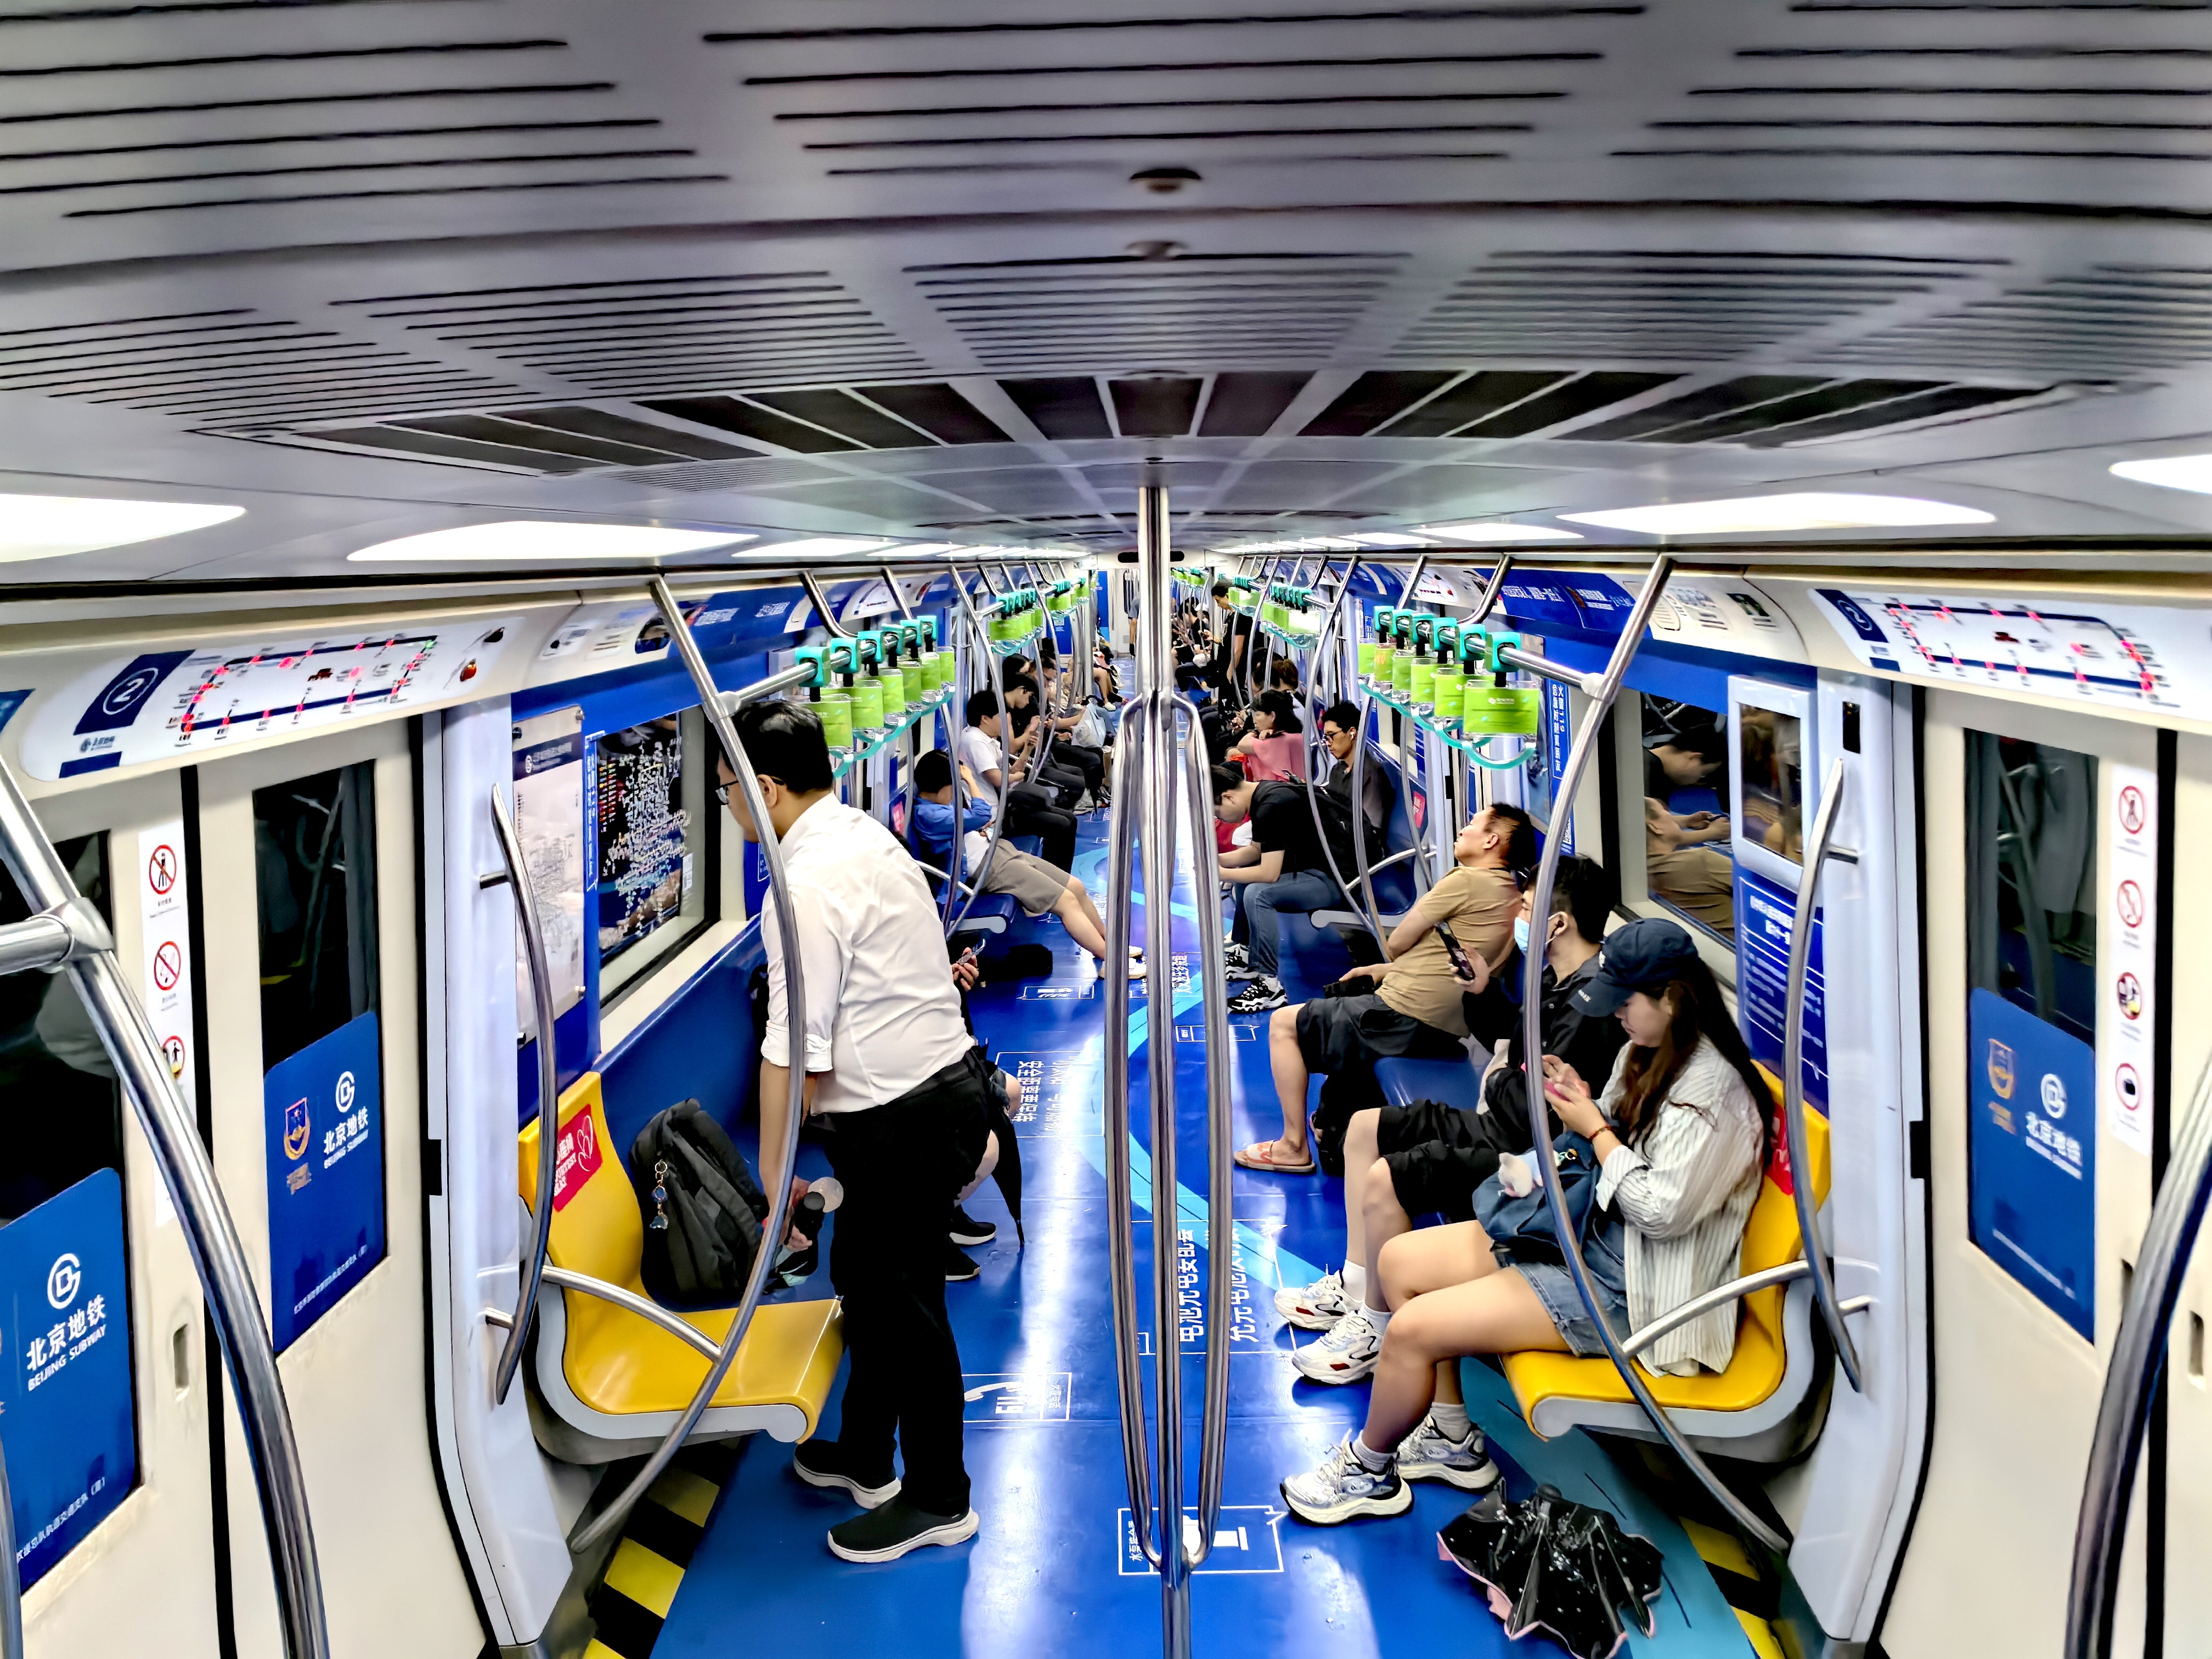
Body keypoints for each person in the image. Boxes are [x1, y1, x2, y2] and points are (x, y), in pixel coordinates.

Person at [1278, 919, 1770, 1525]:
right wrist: (1579, 1105)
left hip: (1636, 1291)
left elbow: (1661, 1213)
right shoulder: (1647, 1051)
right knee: (1398, 1263)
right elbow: (1605, 1133)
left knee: (1411, 1330)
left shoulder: (1716, 1097)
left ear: (1671, 999)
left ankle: (1368, 1469)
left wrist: (1593, 1125)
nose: (1615, 1016)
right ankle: (1450, 1440)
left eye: (1627, 1003)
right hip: (1587, 1236)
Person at [717, 703, 988, 1563]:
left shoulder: (805, 886)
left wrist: (773, 1188)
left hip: (903, 1118)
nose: (725, 808)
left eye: (727, 791)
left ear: (764, 787)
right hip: (933, 1095)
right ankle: (870, 1457)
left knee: (905, 1304)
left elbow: (794, 1056)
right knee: (867, 1279)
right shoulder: (863, 834)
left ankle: (940, 1497)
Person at [1275, 858, 1626, 1384]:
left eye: (1529, 910)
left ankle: (1373, 1327)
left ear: (1560, 923)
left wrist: (1504, 1075)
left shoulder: (1589, 1006)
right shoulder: (1558, 981)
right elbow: (1508, 1048)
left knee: (1392, 1175)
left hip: (1526, 1155)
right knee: (1364, 1128)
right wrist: (1481, 991)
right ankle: (1354, 1281)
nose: (1520, 920)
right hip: (1502, 1122)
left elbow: (1531, 1106)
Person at [1238, 804, 1533, 1175]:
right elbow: (1445, 958)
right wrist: (1387, 970)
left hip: (1407, 1013)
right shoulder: (1507, 892)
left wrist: (1392, 960)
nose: (1463, 829)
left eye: (1473, 824)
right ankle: (1332, 1130)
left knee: (1285, 1023)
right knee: (1349, 1005)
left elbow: (1398, 941)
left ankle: (1291, 1147)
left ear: (1492, 839)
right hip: (1439, 1017)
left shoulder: (1466, 881)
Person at [910, 749, 1141, 980]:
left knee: (1076, 887)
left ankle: (1110, 943)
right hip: (989, 869)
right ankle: (1112, 963)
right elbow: (981, 814)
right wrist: (970, 780)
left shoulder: (938, 808)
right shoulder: (929, 814)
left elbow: (969, 824)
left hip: (997, 851)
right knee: (1066, 902)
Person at [1211, 766, 1351, 1015]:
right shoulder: (1263, 794)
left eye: (1218, 813)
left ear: (1228, 797)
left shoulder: (1272, 805)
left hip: (1336, 881)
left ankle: (1269, 986)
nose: (1221, 820)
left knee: (1258, 893)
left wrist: (1218, 873)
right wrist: (1214, 859)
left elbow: (1269, 874)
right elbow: (1255, 852)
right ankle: (1246, 954)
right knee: (1247, 879)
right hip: (1313, 871)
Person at [960, 690, 1075, 869]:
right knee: (1061, 825)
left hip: (1006, 805)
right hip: (995, 818)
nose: (1005, 722)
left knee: (1070, 819)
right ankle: (1055, 875)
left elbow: (1010, 771)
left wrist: (1027, 751)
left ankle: (1060, 873)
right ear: (985, 719)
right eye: (1001, 716)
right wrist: (1016, 777)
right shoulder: (975, 741)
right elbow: (998, 779)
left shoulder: (988, 740)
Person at [1229, 689, 1306, 784]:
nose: (1254, 720)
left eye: (1258, 715)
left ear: (1272, 716)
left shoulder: (1279, 741)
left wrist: (1255, 732)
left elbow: (1242, 745)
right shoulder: (1295, 735)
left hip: (1279, 791)